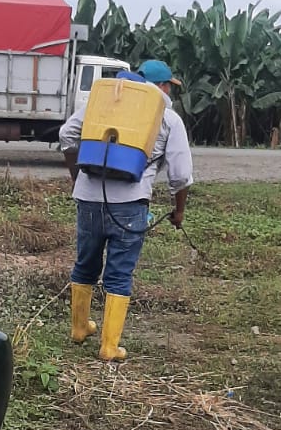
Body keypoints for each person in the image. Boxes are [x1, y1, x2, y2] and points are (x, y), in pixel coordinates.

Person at [59, 59, 193, 362]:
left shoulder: (102, 102)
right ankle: (109, 347)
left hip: (88, 199)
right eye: (169, 86)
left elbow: (67, 134)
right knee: (119, 273)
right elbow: (181, 175)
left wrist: (77, 178)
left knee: (85, 263)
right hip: (130, 205)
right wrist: (179, 211)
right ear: (162, 86)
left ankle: (79, 329)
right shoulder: (168, 118)